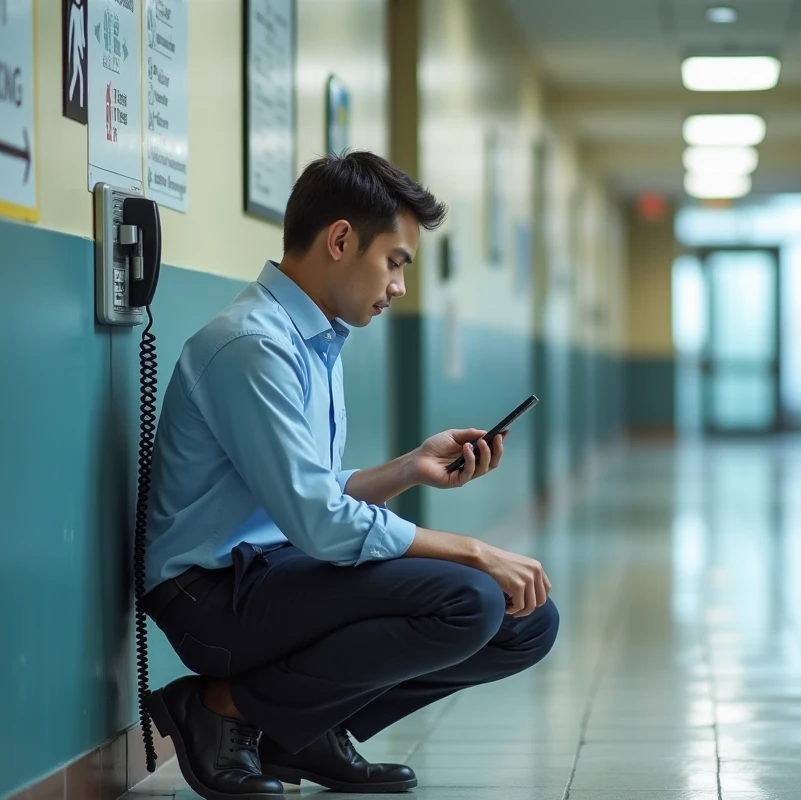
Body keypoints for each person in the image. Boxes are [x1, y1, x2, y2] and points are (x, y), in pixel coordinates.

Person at [138, 151, 559, 800]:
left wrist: (409, 469)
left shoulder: (315, 337)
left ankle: (298, 728)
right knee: (469, 597)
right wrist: (475, 550)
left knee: (528, 621)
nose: (399, 286)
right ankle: (221, 710)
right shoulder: (254, 344)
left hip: (268, 567)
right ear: (340, 240)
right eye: (394, 262)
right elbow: (320, 522)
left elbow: (309, 494)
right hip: (208, 596)